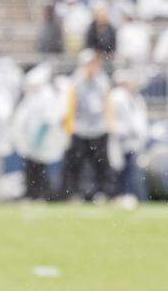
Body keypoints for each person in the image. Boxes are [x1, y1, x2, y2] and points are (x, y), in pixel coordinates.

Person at [10, 63, 68, 201]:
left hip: (43, 140)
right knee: (32, 169)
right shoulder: (32, 96)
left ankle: (42, 194)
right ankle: (32, 193)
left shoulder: (46, 95)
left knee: (41, 170)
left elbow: (49, 118)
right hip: (31, 141)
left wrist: (39, 138)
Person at [61, 49, 113, 200]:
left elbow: (106, 103)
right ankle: (74, 193)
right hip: (80, 128)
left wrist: (109, 124)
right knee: (75, 164)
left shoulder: (102, 81)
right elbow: (70, 105)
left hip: (99, 128)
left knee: (101, 164)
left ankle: (102, 193)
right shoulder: (75, 82)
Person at [106, 69, 148, 205]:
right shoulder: (117, 95)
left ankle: (127, 194)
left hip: (133, 138)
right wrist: (117, 130)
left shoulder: (136, 97)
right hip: (121, 136)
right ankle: (119, 195)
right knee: (120, 168)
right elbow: (111, 114)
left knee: (129, 168)